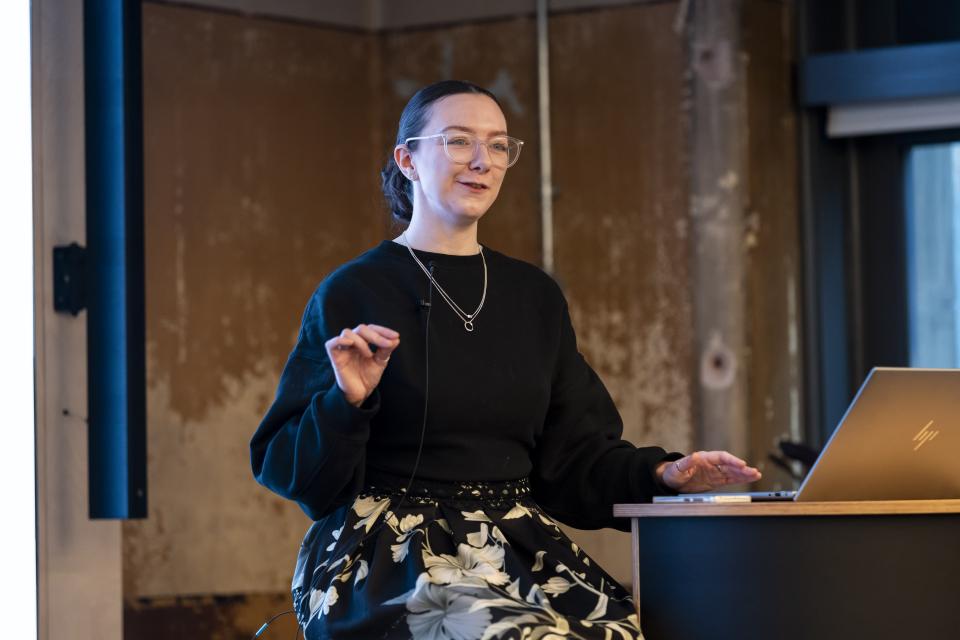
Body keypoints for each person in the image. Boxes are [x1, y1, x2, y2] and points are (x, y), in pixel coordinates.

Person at [250, 79, 761, 640]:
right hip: (385, 555)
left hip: (517, 547)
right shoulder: (353, 290)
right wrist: (346, 400)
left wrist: (666, 472)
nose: (481, 161)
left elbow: (575, 460)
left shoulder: (533, 296)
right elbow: (296, 474)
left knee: (634, 630)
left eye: (497, 145)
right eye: (458, 140)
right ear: (407, 160)